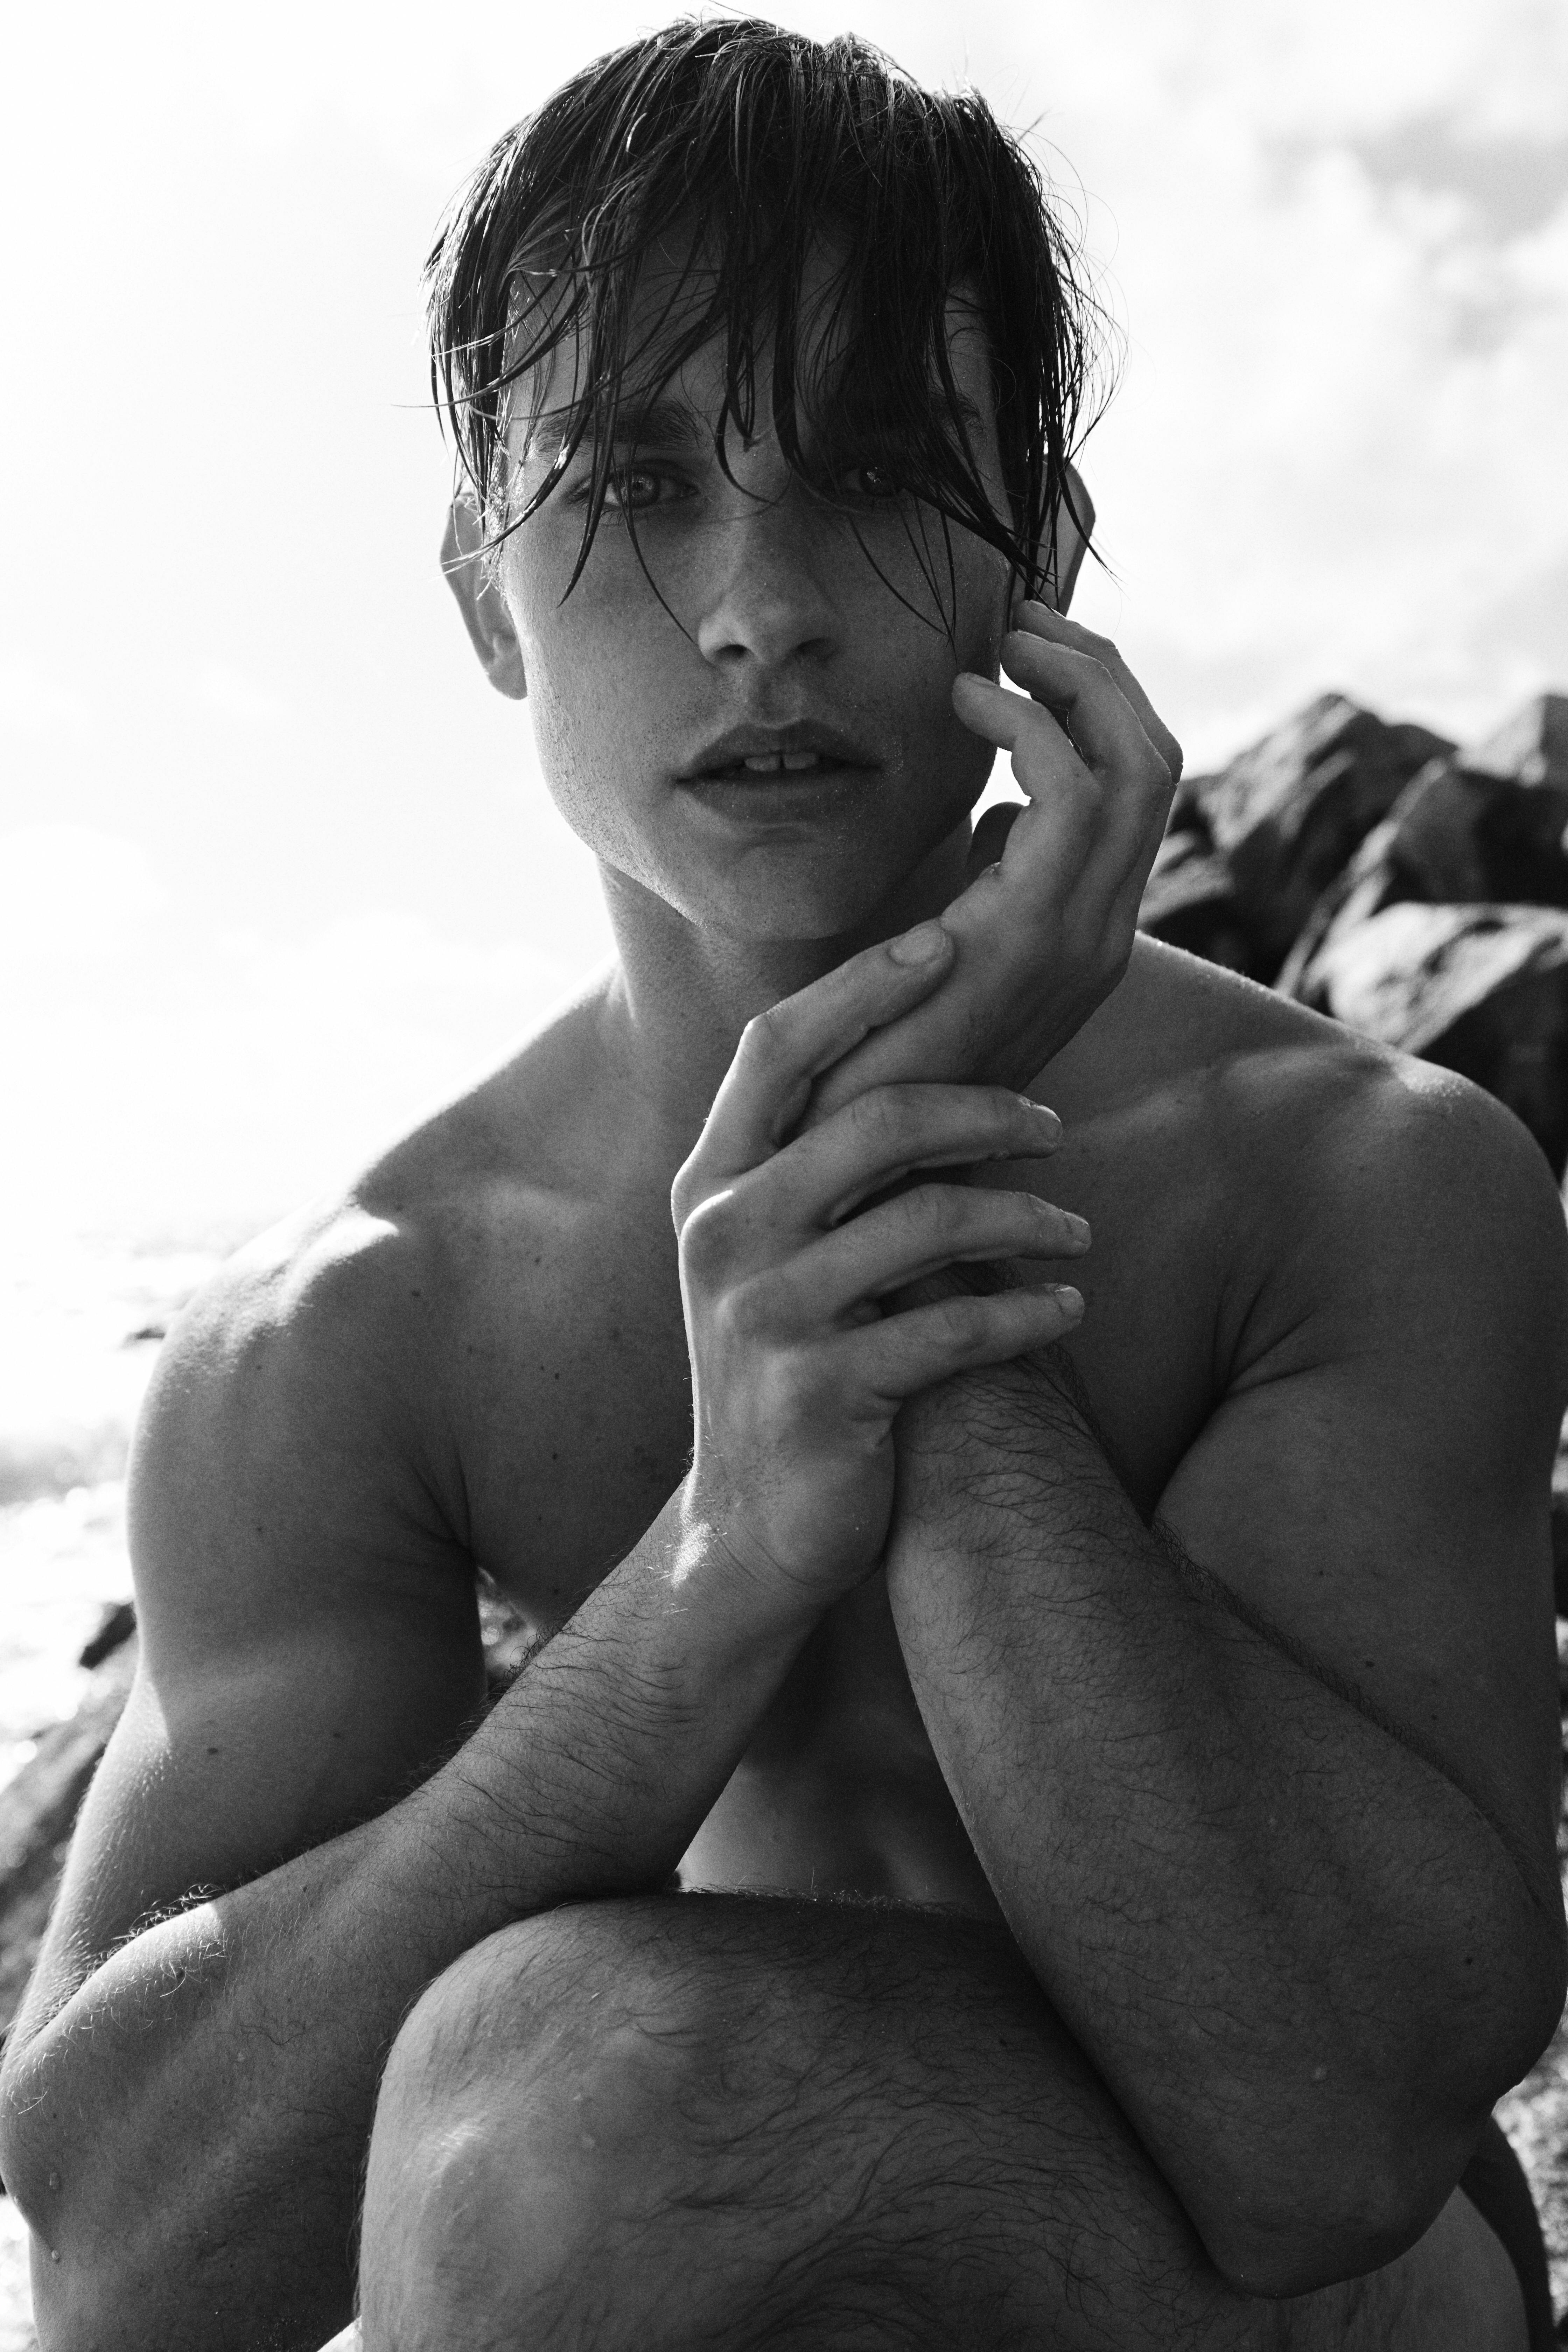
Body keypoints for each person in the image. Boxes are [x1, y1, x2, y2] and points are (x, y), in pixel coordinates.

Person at [2, 20, 1564, 2351]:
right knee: (560, 2128)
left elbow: (1330, 2149)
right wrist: (719, 1561)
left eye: (869, 466)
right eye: (631, 477)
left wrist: (917, 1274)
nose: (756, 607)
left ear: (1031, 548)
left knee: (586, 2110)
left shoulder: (1356, 1183)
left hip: (1304, 2303)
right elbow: (122, 2259)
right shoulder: (361, 1330)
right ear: (477, 592)